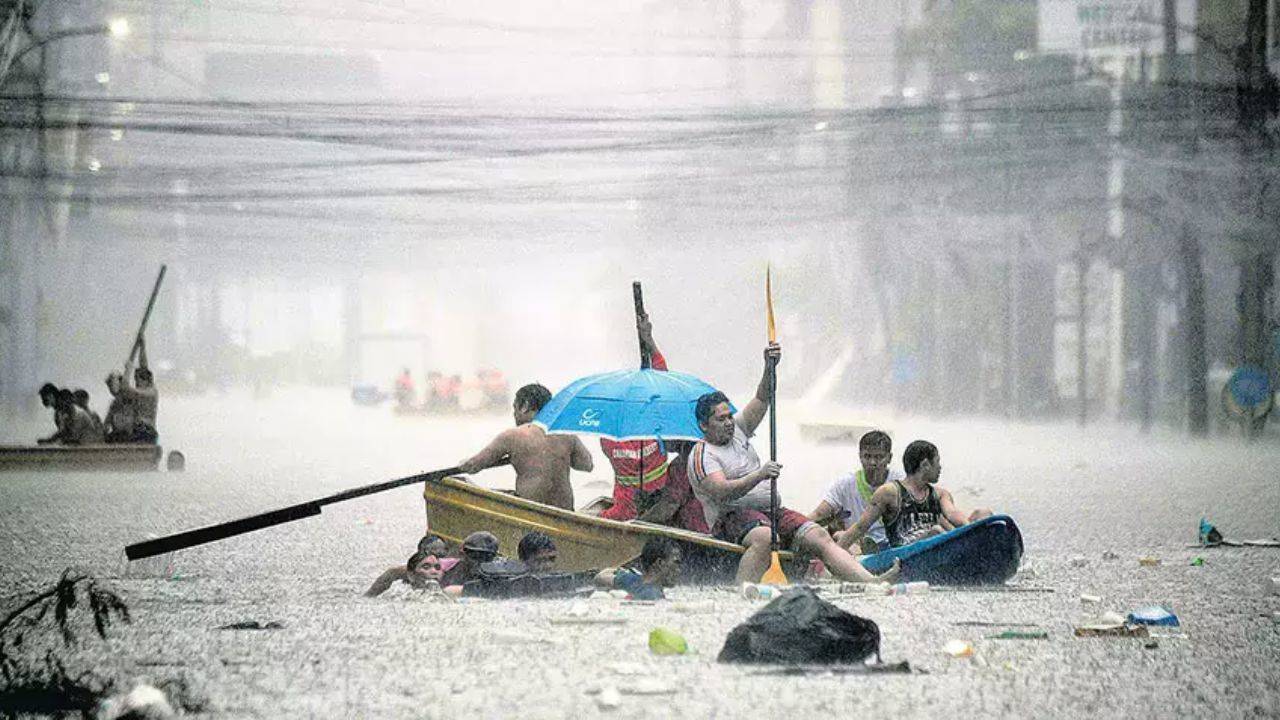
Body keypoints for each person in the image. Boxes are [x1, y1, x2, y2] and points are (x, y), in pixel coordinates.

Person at [686, 343, 899, 585]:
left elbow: (762, 398)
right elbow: (721, 491)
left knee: (819, 535)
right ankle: (741, 592)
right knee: (765, 537)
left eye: (729, 417)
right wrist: (759, 475)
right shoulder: (702, 454)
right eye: (720, 419)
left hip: (772, 512)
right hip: (731, 518)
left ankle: (871, 582)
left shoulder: (739, 430)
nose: (728, 423)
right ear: (704, 425)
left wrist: (770, 366)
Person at [596, 314, 708, 533]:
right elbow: (661, 382)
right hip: (627, 511)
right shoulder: (622, 436)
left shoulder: (613, 433)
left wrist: (648, 339)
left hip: (652, 510)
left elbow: (661, 381)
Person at [835, 440, 993, 550]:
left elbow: (952, 513)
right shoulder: (889, 492)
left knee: (983, 513)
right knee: (936, 531)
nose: (940, 467)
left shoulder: (940, 494)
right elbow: (861, 527)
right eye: (937, 462)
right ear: (925, 465)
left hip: (939, 542)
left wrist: (973, 532)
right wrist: (834, 555)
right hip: (905, 551)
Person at [457, 383, 593, 510]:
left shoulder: (512, 436)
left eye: (515, 408)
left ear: (525, 406)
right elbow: (587, 465)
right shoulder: (565, 433)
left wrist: (463, 464)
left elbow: (473, 466)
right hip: (565, 513)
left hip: (531, 512)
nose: (514, 415)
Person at [808, 430, 901, 554]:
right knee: (839, 535)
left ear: (889, 458)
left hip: (893, 545)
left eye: (879, 457)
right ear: (860, 457)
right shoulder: (845, 484)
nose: (873, 463)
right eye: (867, 456)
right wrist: (795, 527)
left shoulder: (900, 483)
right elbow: (819, 514)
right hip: (854, 543)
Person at [595, 537, 682, 600]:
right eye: (676, 563)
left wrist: (620, 571)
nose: (679, 570)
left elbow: (600, 577)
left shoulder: (632, 580)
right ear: (659, 563)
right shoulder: (653, 596)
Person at [113, 338, 159, 444]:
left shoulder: (151, 392)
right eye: (136, 381)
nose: (137, 384)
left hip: (147, 431)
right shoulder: (143, 387)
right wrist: (142, 347)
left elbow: (125, 388)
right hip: (136, 429)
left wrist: (128, 369)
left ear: (147, 381)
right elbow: (144, 366)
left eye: (138, 381)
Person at [364, 549, 446, 597]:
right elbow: (393, 572)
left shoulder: (450, 590)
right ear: (411, 575)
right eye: (426, 567)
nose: (434, 571)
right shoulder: (401, 597)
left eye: (437, 567)